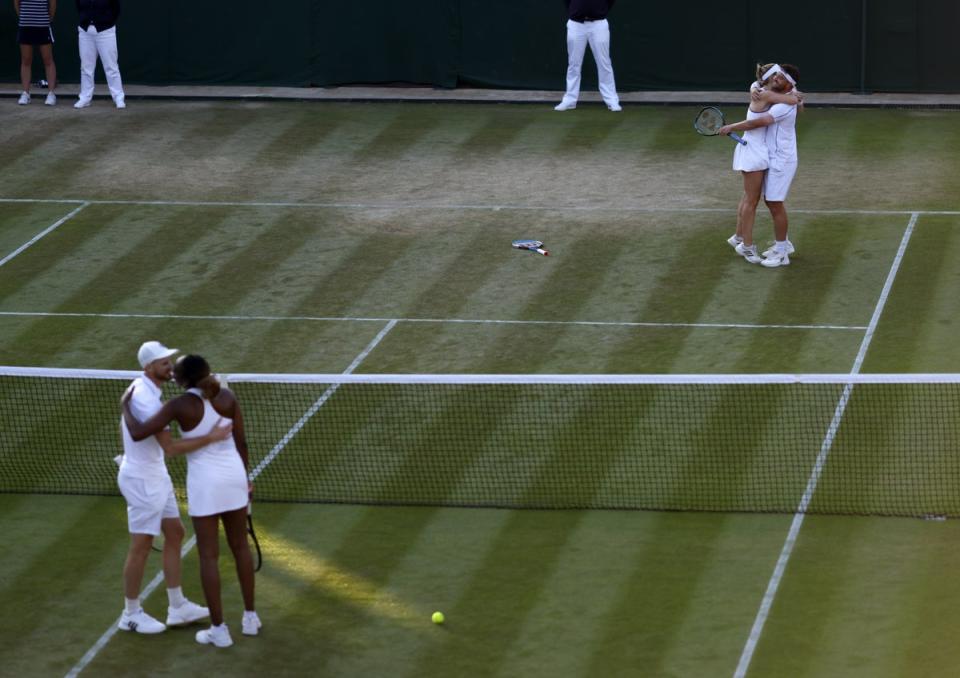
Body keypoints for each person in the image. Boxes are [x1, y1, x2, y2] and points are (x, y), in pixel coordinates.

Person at [123, 354, 260, 649]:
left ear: (182, 379)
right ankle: (251, 618)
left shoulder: (179, 405)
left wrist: (125, 407)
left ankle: (219, 630)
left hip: (205, 484)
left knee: (208, 556)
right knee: (240, 547)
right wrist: (246, 480)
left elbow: (137, 433)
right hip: (234, 477)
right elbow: (241, 442)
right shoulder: (228, 397)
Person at [117, 341, 229, 635]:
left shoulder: (146, 390)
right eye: (164, 363)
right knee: (141, 545)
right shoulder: (145, 398)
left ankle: (177, 606)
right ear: (148, 368)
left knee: (175, 533)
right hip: (143, 479)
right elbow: (170, 447)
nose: (170, 367)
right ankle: (130, 613)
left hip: (155, 474)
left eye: (169, 361)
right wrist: (212, 438)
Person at [720, 63, 802, 267]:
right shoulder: (769, 94)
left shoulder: (776, 99)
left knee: (765, 201)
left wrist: (731, 126)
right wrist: (796, 97)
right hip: (759, 153)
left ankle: (779, 249)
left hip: (778, 158)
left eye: (780, 77)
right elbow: (790, 99)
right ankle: (746, 243)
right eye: (775, 75)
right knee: (753, 199)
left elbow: (758, 121)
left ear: (789, 83)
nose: (776, 79)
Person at [554, 0, 621, 112]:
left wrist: (600, 10)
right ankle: (570, 100)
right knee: (574, 64)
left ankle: (612, 100)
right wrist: (575, 10)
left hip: (599, 24)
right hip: (576, 24)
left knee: (604, 63)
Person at [74, 0, 125, 109]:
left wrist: (106, 21)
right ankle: (85, 98)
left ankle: (118, 97)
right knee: (86, 68)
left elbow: (116, 9)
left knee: (111, 67)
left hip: (106, 31)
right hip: (85, 31)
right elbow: (79, 6)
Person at [13, 0, 58, 105]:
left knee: (48, 60)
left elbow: (53, 4)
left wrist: (47, 20)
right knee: (26, 60)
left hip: (43, 26)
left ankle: (51, 94)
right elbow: (16, 4)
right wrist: (24, 18)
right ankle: (26, 94)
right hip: (25, 26)